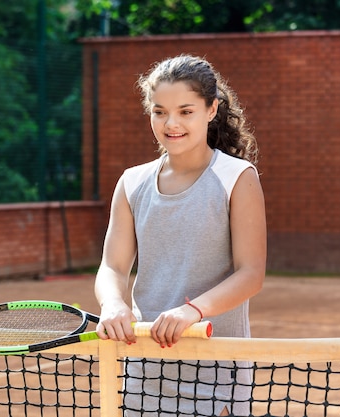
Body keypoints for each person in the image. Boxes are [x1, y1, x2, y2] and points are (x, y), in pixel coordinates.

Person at [94, 54, 266, 416]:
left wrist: (192, 311)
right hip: (145, 369)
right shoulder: (131, 182)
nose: (171, 123)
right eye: (159, 112)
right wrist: (113, 303)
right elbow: (112, 265)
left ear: (211, 109)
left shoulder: (237, 177)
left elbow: (251, 273)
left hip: (217, 369)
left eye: (185, 111)